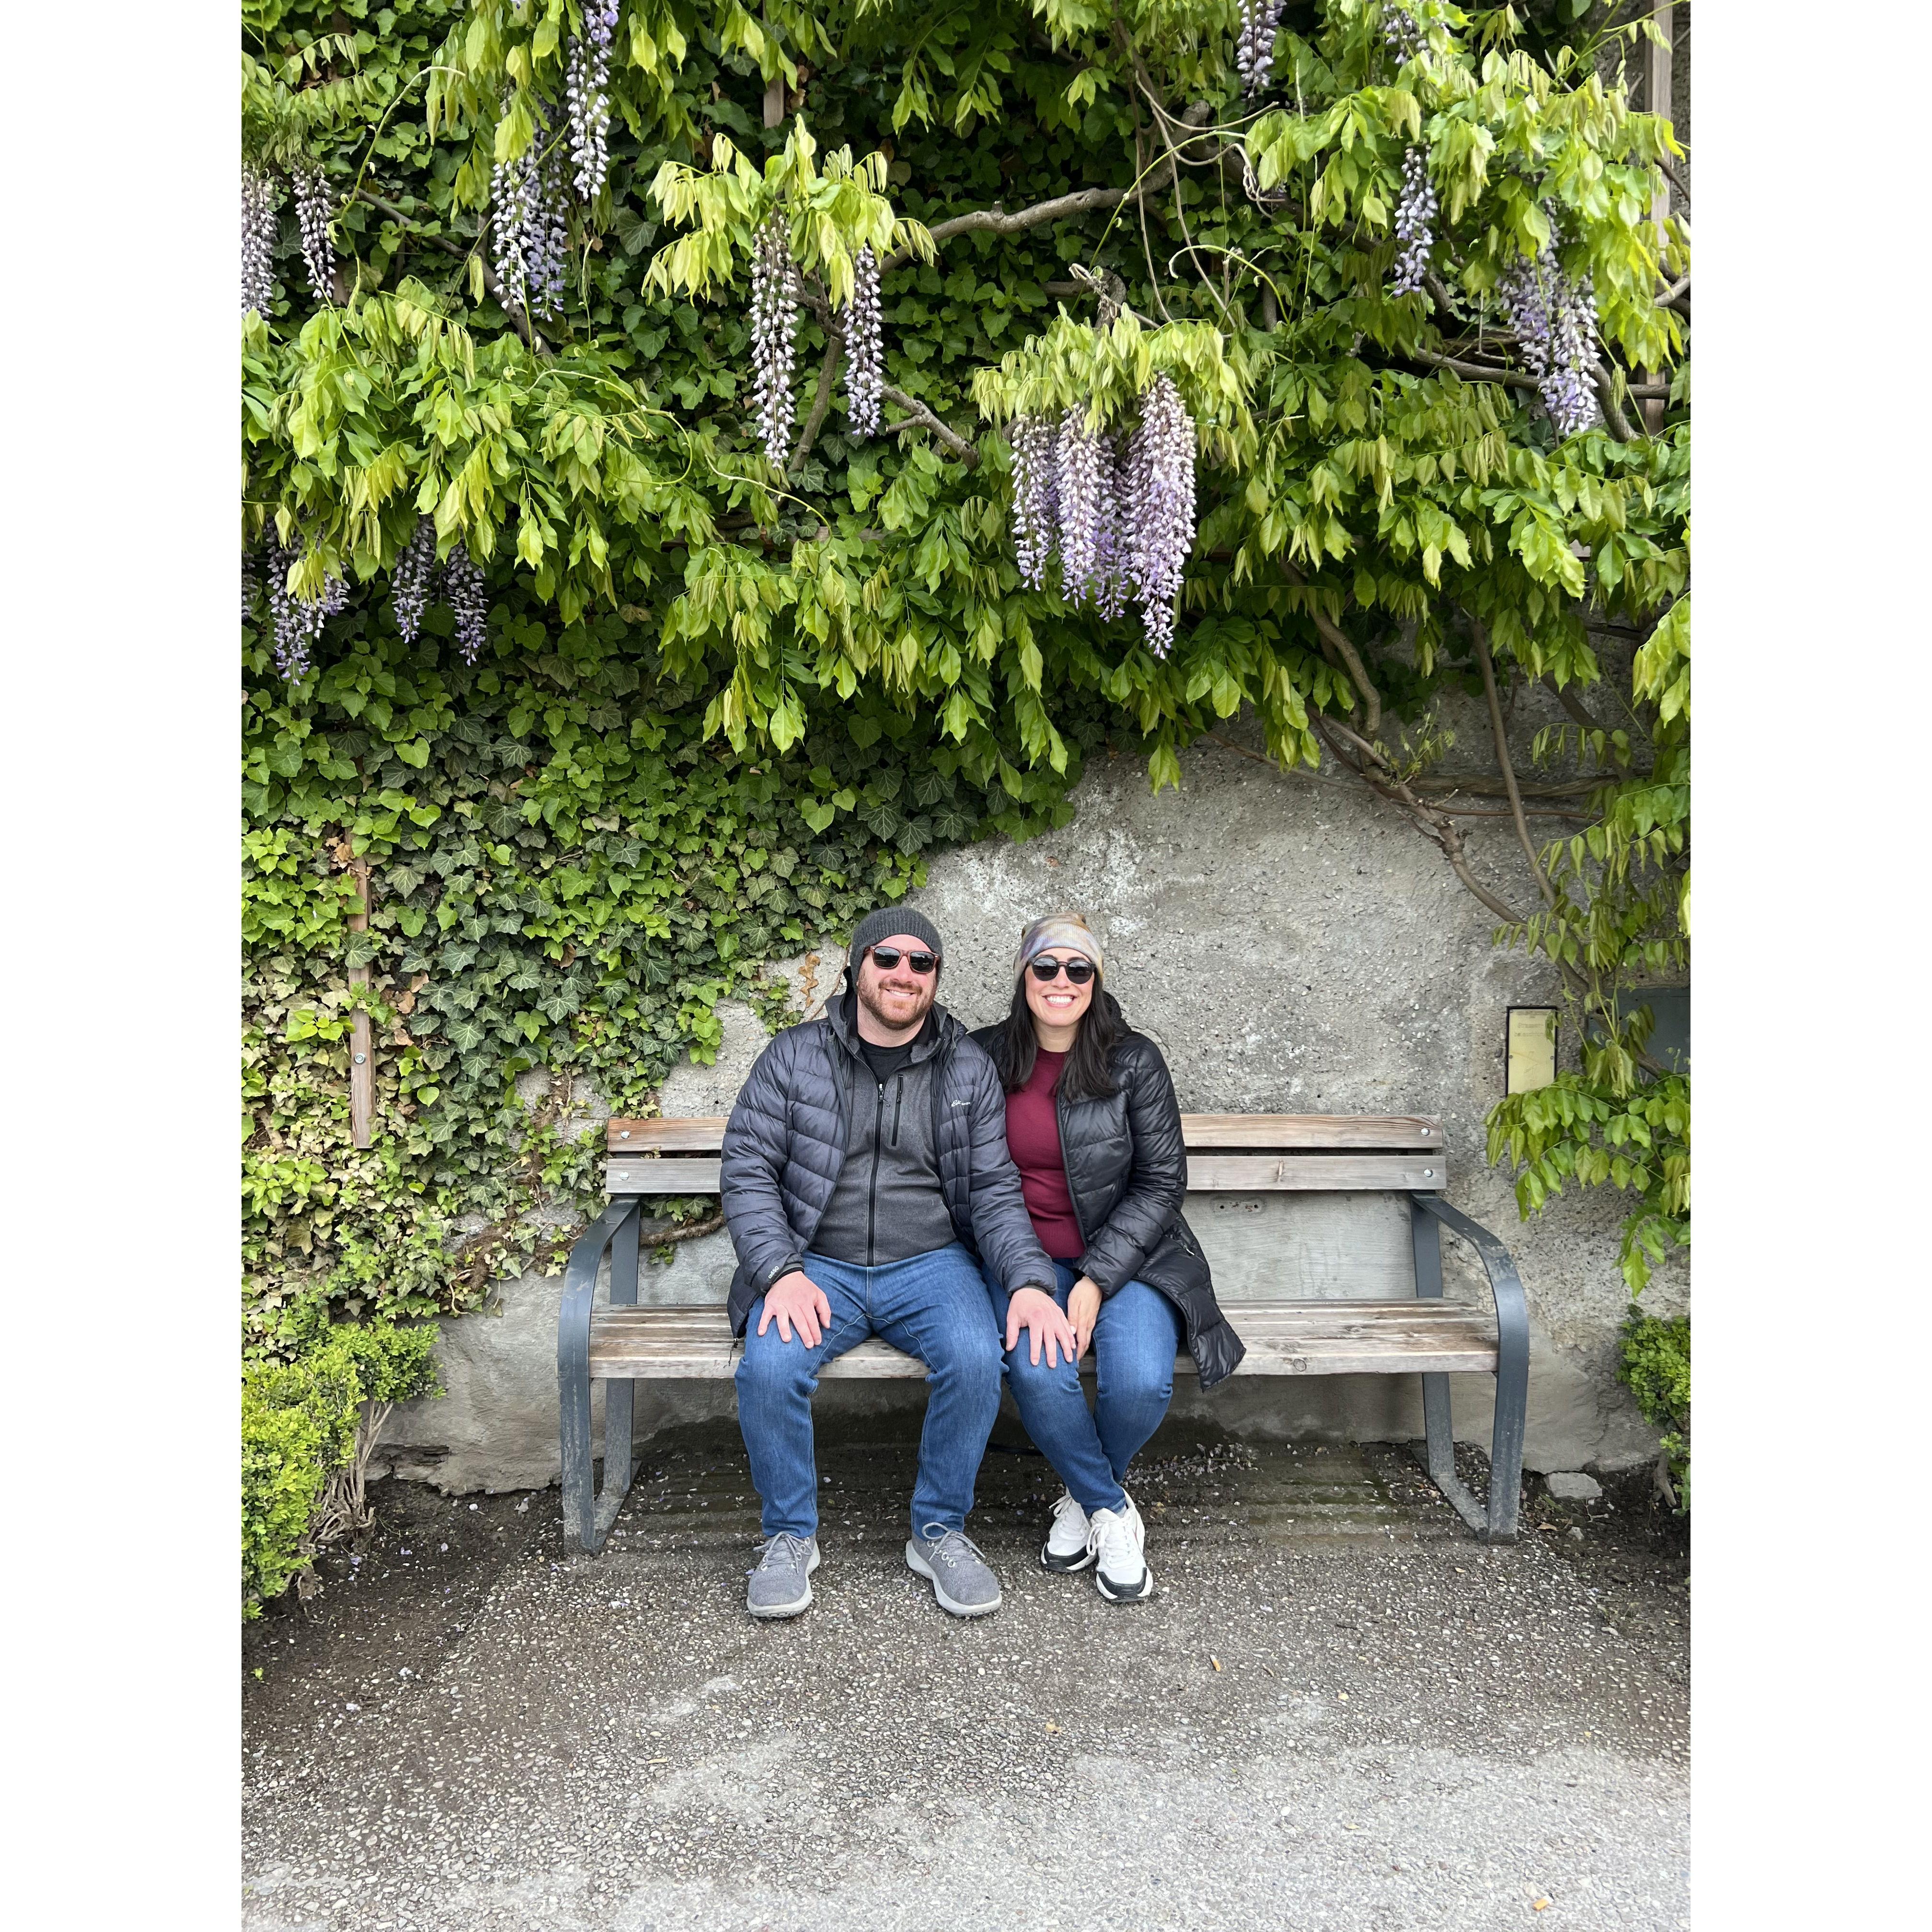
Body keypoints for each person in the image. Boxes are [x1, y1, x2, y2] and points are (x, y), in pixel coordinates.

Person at [719, 907, 1076, 1622]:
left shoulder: (966, 1067)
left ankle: (938, 1529)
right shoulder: (793, 1056)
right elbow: (748, 1168)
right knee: (767, 1366)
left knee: (978, 1359)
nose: (903, 974)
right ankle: (789, 1536)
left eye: (922, 963)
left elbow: (997, 1190)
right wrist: (779, 1270)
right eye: (888, 958)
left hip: (931, 1262)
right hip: (816, 1261)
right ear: (857, 968)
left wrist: (1030, 1282)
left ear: (936, 979)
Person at [973, 914, 1245, 1603]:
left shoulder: (1135, 1060)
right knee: (1037, 1371)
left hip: (1130, 1258)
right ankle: (1109, 1507)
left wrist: (1096, 1280)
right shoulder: (982, 1058)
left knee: (1140, 1383)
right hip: (1022, 1261)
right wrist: (1029, 1275)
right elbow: (970, 1178)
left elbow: (1161, 1182)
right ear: (1023, 975)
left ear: (1095, 981)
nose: (1061, 982)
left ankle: (1080, 1494)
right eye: (1046, 968)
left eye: (1078, 970)